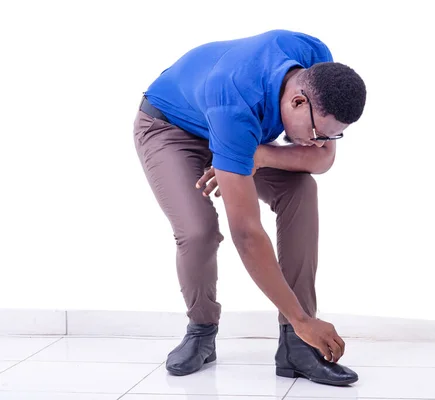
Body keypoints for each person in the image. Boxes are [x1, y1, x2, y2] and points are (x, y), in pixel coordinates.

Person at [133, 29, 366, 386]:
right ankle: (202, 330)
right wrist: (308, 322)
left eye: (332, 135)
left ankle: (294, 346)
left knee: (301, 190)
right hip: (171, 129)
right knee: (199, 232)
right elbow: (246, 233)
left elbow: (322, 161)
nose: (318, 142)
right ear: (298, 102)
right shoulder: (235, 103)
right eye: (318, 132)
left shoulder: (315, 59)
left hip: (239, 136)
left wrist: (256, 155)